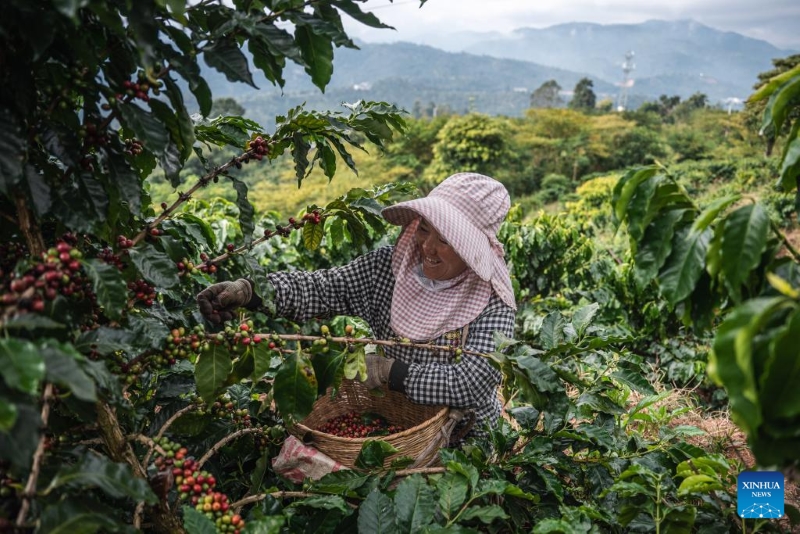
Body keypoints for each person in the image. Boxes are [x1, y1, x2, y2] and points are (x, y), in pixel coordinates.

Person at [196, 172, 517, 438]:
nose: (427, 247)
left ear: (471, 250)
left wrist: (392, 371)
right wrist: (251, 292)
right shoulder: (387, 271)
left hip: (465, 441)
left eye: (445, 240)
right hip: (397, 425)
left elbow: (471, 383)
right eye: (423, 229)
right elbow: (321, 289)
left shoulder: (493, 303)